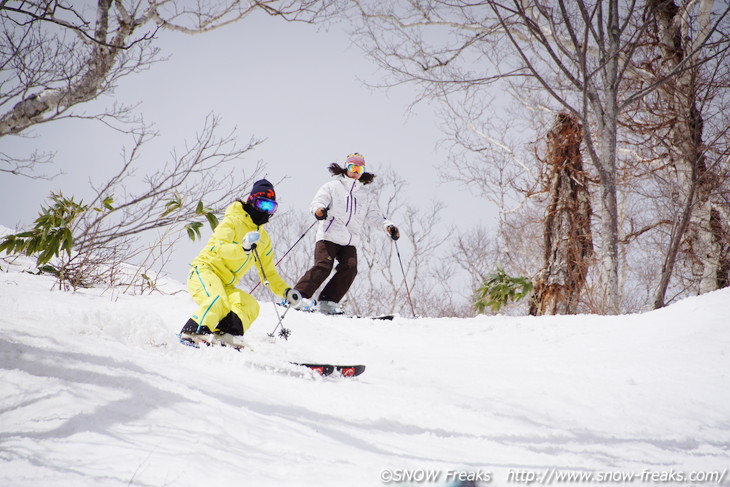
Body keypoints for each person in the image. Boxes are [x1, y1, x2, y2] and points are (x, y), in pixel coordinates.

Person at [179, 178, 301, 341]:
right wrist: (242, 248)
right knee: (218, 301)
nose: (265, 211)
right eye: (261, 204)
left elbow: (268, 273)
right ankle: (192, 333)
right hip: (205, 271)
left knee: (249, 305)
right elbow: (220, 248)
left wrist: (286, 291)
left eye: (270, 207)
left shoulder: (263, 239)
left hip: (226, 284)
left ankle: (226, 337)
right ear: (251, 202)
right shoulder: (232, 221)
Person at [293, 153, 400, 314]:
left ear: (363, 171)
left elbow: (375, 217)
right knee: (323, 266)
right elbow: (318, 202)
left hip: (349, 240)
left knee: (350, 267)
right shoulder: (332, 187)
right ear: (346, 168)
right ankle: (297, 297)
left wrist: (388, 226)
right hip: (328, 235)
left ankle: (328, 301)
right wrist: (319, 210)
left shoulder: (365, 195)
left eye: (359, 168)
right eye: (352, 167)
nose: (356, 171)